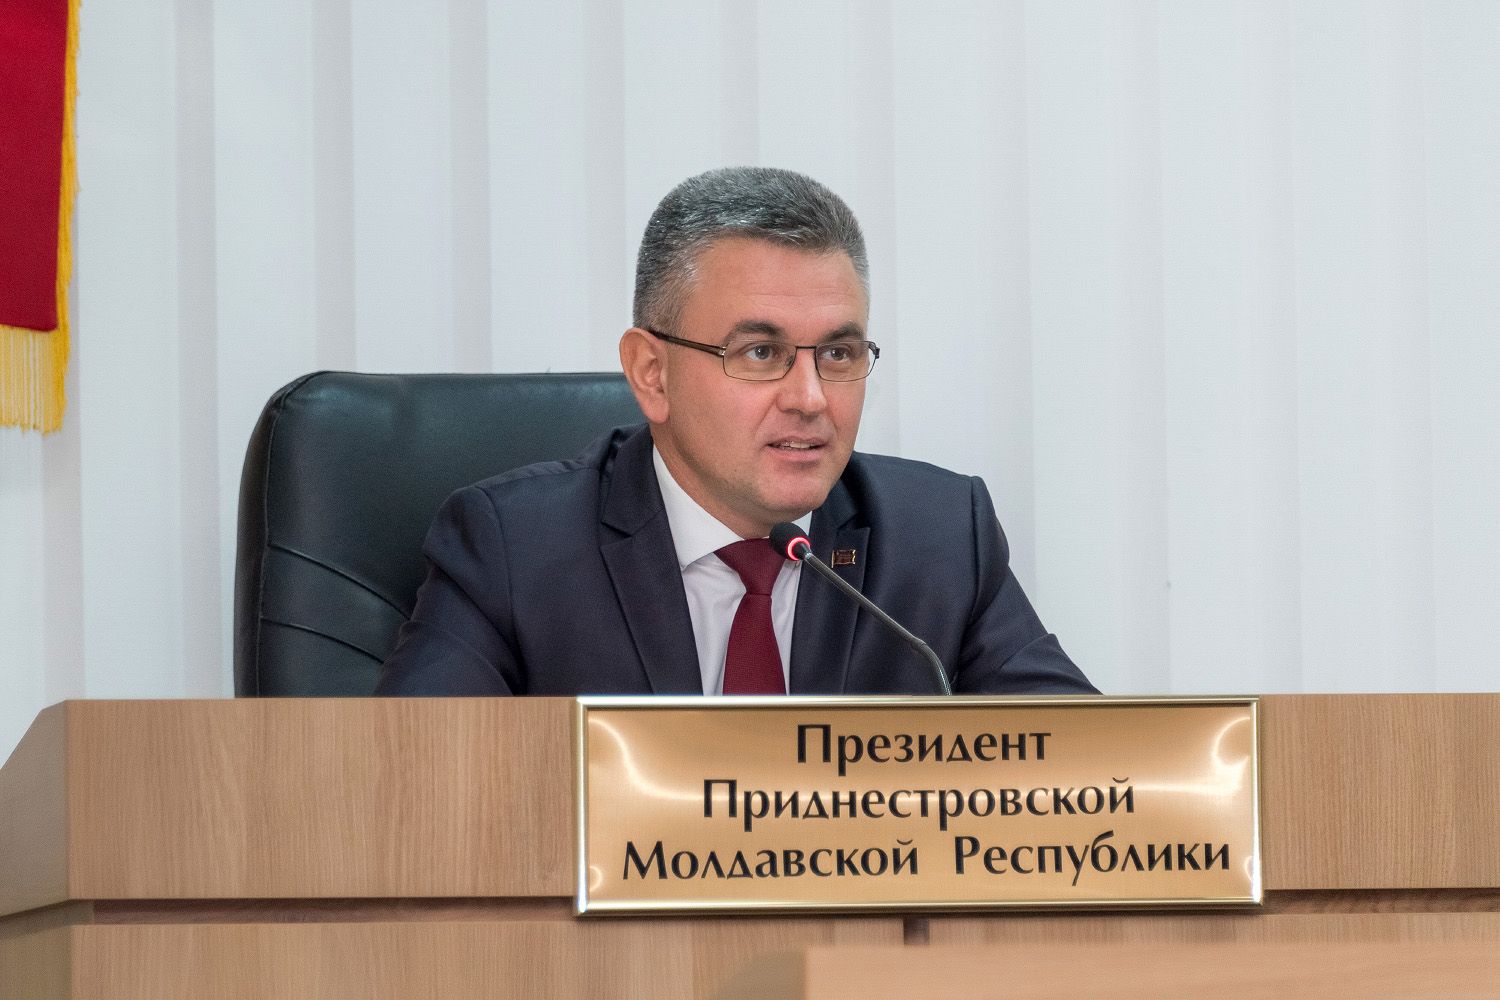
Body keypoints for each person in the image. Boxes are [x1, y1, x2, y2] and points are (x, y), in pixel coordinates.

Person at [376, 167, 1095, 696]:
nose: (811, 398)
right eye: (760, 353)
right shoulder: (513, 550)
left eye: (838, 354)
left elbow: (1088, 776)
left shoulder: (940, 539)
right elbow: (410, 794)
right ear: (652, 374)